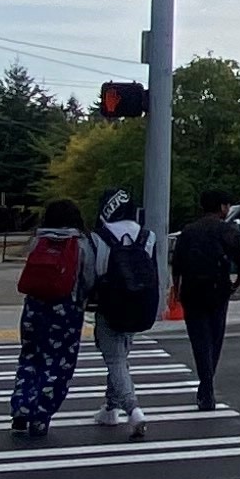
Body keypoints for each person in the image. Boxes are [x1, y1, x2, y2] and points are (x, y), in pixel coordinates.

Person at [82, 186, 163, 438]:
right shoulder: (147, 236)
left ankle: (133, 409)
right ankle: (110, 408)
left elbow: (89, 274)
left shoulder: (97, 237)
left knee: (115, 359)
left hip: (110, 304)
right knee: (121, 356)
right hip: (140, 304)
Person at [9, 203, 88, 438]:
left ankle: (21, 409)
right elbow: (87, 277)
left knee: (30, 357)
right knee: (58, 364)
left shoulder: (37, 241)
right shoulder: (80, 244)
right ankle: (41, 417)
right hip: (66, 310)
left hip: (34, 308)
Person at [169, 191, 240, 408]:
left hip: (192, 292)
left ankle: (206, 388)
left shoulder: (188, 232)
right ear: (221, 207)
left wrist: (176, 291)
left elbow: (176, 266)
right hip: (218, 291)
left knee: (200, 342)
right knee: (215, 340)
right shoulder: (228, 230)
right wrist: (234, 285)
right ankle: (206, 388)